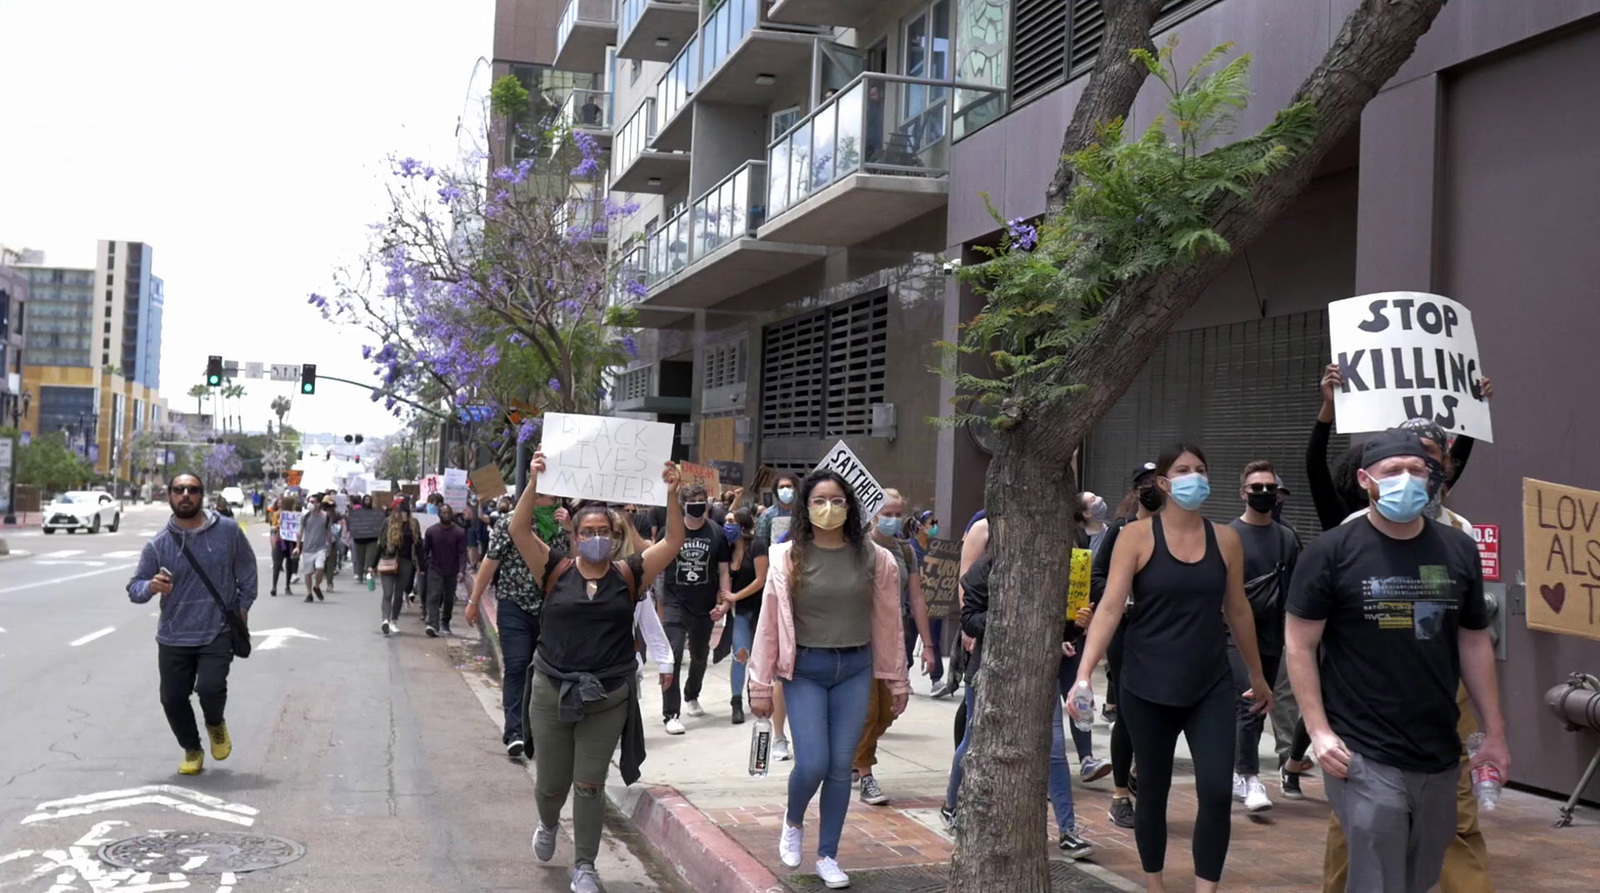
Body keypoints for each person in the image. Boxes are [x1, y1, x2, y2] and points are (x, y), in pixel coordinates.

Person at [1287, 430, 1508, 893]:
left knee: (1421, 872)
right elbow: (1300, 644)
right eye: (1393, 471)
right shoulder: (1331, 551)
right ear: (1367, 479)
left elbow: (1473, 642)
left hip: (1438, 748)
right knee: (1378, 873)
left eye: (1416, 470)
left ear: (1434, 478)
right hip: (1363, 750)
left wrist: (1495, 734)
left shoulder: (1458, 548)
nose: (1406, 479)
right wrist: (1319, 731)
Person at [1071, 443, 1272, 893]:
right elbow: (1107, 608)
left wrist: (1258, 676)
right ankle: (1155, 884)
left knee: (1218, 793)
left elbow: (1238, 611)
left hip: (1210, 684)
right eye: (1183, 470)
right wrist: (1085, 674)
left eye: (1201, 469)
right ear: (1163, 482)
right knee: (1154, 792)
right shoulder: (1135, 537)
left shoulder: (1226, 540)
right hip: (1147, 685)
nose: (1194, 477)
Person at [509, 453, 684, 893]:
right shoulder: (553, 569)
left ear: (614, 537)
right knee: (551, 782)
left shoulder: (631, 574)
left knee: (589, 783)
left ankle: (585, 865)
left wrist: (672, 493)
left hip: (607, 696)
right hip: (551, 690)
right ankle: (548, 823)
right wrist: (533, 481)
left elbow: (674, 541)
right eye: (587, 532)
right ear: (573, 536)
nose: (595, 538)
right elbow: (518, 529)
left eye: (603, 532)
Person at [747, 470, 910, 890]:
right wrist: (761, 684)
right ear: (804, 506)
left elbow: (891, 622)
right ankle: (794, 819)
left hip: (854, 668)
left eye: (838, 501)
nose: (829, 508)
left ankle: (828, 855)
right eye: (819, 500)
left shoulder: (876, 557)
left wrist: (897, 678)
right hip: (805, 671)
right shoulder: (786, 556)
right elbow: (767, 624)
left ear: (851, 506)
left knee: (841, 768)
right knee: (813, 762)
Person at [943, 536, 1097, 860]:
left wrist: (1076, 626)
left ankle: (1068, 831)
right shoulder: (985, 569)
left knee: (1055, 750)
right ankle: (951, 805)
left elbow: (1065, 628)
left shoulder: (1061, 569)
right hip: (988, 668)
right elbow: (970, 619)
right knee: (972, 740)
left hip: (1040, 671)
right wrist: (1009, 617)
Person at [126, 474, 257, 775]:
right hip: (174, 634)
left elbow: (247, 573)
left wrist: (244, 609)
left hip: (217, 629)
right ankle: (192, 748)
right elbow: (135, 589)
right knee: (172, 698)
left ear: (202, 495)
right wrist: (151, 587)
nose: (186, 495)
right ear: (169, 496)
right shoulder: (158, 544)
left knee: (210, 689)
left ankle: (215, 723)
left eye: (193, 490)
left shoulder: (227, 531)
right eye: (179, 490)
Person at [1089, 462, 1163, 828]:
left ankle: (1140, 773)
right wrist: (1121, 599)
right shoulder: (1120, 530)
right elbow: (1097, 576)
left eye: (1158, 481)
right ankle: (1120, 795)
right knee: (1129, 713)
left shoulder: (1175, 530)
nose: (1152, 488)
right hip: (1127, 632)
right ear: (1136, 490)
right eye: (1145, 483)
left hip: (1165, 634)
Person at [1226, 460, 1301, 814]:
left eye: (1270, 488)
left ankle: (1239, 771)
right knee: (1250, 700)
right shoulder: (1229, 535)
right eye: (1256, 488)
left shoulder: (1286, 537)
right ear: (1243, 493)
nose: (1264, 494)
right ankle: (1250, 776)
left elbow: (1296, 588)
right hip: (1233, 634)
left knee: (1260, 704)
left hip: (1272, 634)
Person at [853, 489, 935, 807]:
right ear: (872, 514)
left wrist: (928, 645)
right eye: (887, 513)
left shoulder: (906, 551)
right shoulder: (857, 548)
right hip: (861, 635)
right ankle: (866, 774)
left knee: (889, 709)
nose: (893, 519)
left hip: (894, 636)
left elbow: (916, 598)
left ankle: (852, 757)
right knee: (869, 708)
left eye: (898, 513)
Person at [466, 493, 548, 757]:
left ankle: (534, 729)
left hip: (550, 609)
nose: (550, 499)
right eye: (544, 493)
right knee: (517, 665)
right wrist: (474, 599)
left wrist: (570, 531)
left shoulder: (562, 524)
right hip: (514, 605)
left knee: (541, 671)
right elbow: (491, 561)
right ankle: (515, 732)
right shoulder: (509, 524)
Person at [659, 482, 732, 734]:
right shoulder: (671, 531)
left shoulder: (716, 533)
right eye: (693, 502)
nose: (698, 506)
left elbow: (723, 570)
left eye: (702, 501)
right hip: (674, 600)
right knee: (673, 655)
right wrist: (657, 605)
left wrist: (724, 601)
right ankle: (671, 713)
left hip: (704, 603)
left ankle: (692, 694)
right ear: (683, 505)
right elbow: (657, 564)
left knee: (700, 655)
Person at [721, 507, 768, 726]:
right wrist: (724, 603)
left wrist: (734, 596)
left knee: (761, 657)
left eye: (731, 521)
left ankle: (756, 692)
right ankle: (736, 701)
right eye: (726, 521)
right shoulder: (727, 549)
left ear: (742, 525)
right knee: (740, 654)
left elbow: (760, 580)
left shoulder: (757, 546)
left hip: (759, 609)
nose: (727, 525)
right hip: (738, 612)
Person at [370, 497, 422, 636]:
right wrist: (372, 565)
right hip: (388, 559)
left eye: (405, 511)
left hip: (405, 562)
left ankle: (394, 621)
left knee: (398, 594)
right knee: (388, 593)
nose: (403, 514)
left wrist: (421, 566)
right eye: (401, 511)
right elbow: (380, 544)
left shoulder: (414, 524)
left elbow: (418, 545)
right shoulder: (388, 522)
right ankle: (385, 620)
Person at [421, 503, 468, 637]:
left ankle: (445, 621)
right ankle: (433, 624)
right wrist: (423, 567)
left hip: (452, 570)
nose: (446, 515)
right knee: (434, 596)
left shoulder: (459, 532)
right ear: (438, 515)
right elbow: (425, 551)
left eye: (448, 512)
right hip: (435, 568)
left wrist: (461, 570)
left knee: (448, 599)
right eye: (443, 513)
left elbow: (462, 553)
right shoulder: (431, 531)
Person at [295, 496, 334, 602]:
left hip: (320, 548)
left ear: (318, 503)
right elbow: (300, 532)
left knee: (320, 568)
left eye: (313, 502)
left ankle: (316, 586)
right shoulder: (306, 516)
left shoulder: (326, 516)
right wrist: (297, 547)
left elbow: (329, 533)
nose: (310, 504)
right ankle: (309, 594)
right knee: (307, 573)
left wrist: (329, 547)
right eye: (309, 502)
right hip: (307, 548)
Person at [269, 495, 300, 598]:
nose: (280, 504)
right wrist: (279, 526)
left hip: (291, 541)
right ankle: (274, 587)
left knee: (290, 564)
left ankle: (287, 586)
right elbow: (272, 527)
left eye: (282, 502)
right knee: (277, 564)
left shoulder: (295, 515)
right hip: (280, 540)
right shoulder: (277, 514)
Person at [754, 474, 798, 545]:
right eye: (781, 487)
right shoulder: (767, 515)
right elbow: (761, 543)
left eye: (788, 486)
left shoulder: (803, 513)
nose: (785, 489)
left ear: (795, 489)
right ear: (776, 491)